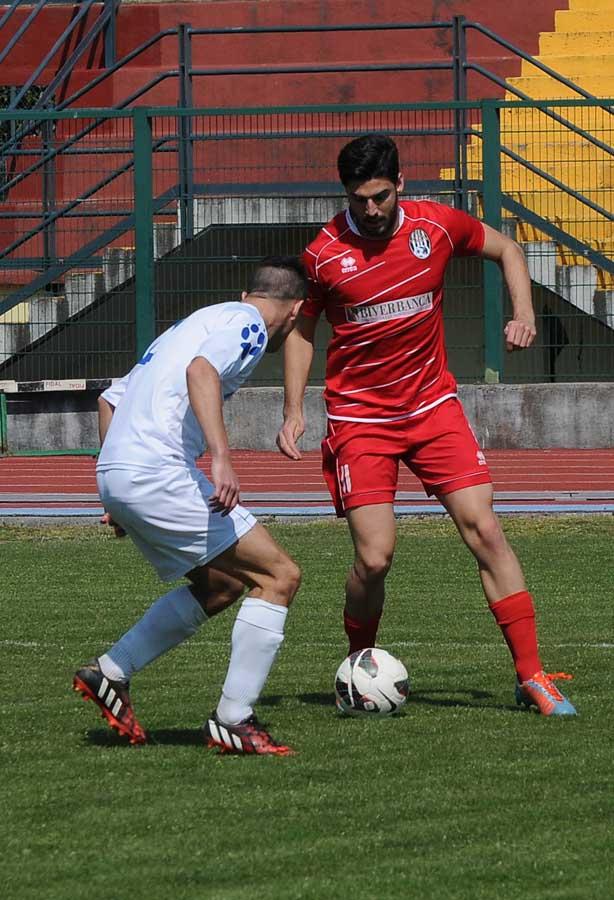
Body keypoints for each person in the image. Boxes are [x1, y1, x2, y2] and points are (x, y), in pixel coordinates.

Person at [276, 133, 576, 717]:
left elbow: (509, 249)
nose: (370, 209)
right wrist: (294, 408)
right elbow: (302, 330)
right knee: (375, 558)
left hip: (433, 408)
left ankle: (532, 675)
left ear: (401, 186)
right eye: (359, 199)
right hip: (360, 417)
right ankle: (359, 663)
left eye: (381, 196)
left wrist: (523, 313)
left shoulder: (435, 227)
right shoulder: (322, 255)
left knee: (485, 530)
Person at [73, 256, 308, 754]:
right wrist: (221, 457)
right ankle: (234, 718)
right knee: (279, 576)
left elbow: (109, 399)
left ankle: (110, 673)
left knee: (221, 584)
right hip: (157, 472)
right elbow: (201, 372)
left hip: (120, 471)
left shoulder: (198, 322)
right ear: (295, 311)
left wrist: (115, 488)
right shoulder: (250, 326)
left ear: (249, 292)